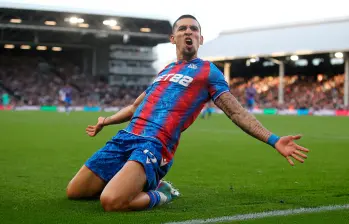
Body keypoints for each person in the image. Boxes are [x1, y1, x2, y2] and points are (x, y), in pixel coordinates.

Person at [66, 14, 310, 212]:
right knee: (75, 192)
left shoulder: (208, 72)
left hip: (154, 145)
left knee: (111, 202)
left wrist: (274, 139)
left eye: (193, 29)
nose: (188, 32)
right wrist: (105, 121)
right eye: (182, 29)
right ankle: (131, 180)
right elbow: (133, 108)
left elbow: (236, 113)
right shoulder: (165, 71)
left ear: (200, 39)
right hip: (125, 138)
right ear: (173, 38)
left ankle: (162, 192)